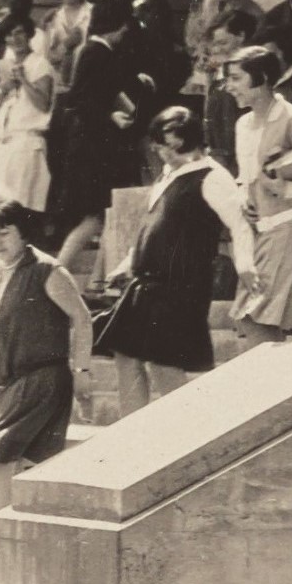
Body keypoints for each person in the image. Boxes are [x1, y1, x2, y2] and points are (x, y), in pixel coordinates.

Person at [101, 107, 256, 412]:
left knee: (164, 364)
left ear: (195, 142)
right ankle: (130, 433)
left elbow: (240, 223)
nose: (168, 154)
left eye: (177, 146)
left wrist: (245, 264)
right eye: (162, 146)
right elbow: (153, 227)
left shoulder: (212, 176)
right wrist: (126, 265)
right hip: (147, 283)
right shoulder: (167, 175)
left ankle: (184, 432)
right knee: (127, 356)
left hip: (181, 285)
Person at [0, 200, 91, 525]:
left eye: (5, 233)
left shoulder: (47, 270)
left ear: (23, 233)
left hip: (44, 378)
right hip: (13, 383)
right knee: (8, 463)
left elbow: (82, 317)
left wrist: (82, 370)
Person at [225, 45, 292, 348]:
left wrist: (285, 189)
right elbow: (245, 178)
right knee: (255, 322)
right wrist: (242, 201)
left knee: (254, 318)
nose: (229, 86)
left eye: (236, 78)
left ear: (260, 78)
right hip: (262, 233)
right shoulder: (242, 124)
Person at [47, 0, 153, 277]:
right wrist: (110, 116)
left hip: (95, 148)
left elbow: (105, 87)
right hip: (93, 150)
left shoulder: (98, 52)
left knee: (105, 215)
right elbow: (82, 99)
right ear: (117, 27)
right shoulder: (96, 52)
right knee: (95, 217)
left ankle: (97, 279)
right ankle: (56, 271)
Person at [0, 14, 54, 214]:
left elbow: (43, 104)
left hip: (26, 144)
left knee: (22, 205)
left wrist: (24, 80)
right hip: (3, 145)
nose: (14, 39)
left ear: (29, 34)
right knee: (0, 205)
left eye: (19, 33)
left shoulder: (40, 64)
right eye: (9, 35)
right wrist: (3, 88)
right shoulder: (6, 66)